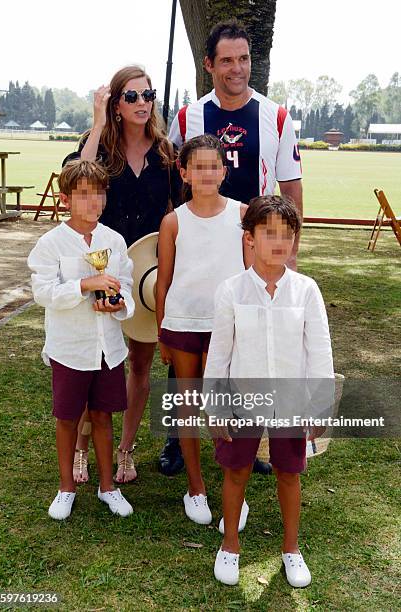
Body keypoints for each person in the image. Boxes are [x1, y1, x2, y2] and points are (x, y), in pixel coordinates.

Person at [160, 19, 303, 475]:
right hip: (201, 239)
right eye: (227, 60)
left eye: (243, 59)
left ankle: (246, 438)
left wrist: (288, 257)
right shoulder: (189, 116)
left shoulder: (276, 117)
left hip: (252, 249)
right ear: (209, 65)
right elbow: (173, 175)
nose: (237, 69)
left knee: (247, 342)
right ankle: (177, 444)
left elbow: (291, 189)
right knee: (188, 333)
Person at [203, 195, 334, 586]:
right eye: (268, 232)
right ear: (250, 238)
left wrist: (320, 406)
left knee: (288, 474)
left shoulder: (306, 290)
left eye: (287, 234)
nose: (279, 242)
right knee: (236, 471)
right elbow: (221, 353)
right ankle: (229, 545)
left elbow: (319, 351)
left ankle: (291, 548)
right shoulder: (231, 291)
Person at [63, 65, 182, 484]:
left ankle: (125, 449)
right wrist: (96, 125)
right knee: (91, 361)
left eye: (147, 95)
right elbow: (77, 179)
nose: (142, 103)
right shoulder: (97, 145)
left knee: (140, 363)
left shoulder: (167, 153)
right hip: (100, 266)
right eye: (131, 96)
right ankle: (80, 447)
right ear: (115, 104)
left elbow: (181, 211)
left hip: (147, 269)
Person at [27, 160, 135, 520]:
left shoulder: (114, 240)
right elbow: (43, 292)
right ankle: (66, 488)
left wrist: (117, 304)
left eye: (99, 193)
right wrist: (85, 285)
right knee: (68, 418)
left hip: (108, 349)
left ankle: (108, 487)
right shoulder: (51, 243)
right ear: (65, 198)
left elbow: (128, 287)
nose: (94, 202)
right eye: (84, 194)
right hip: (70, 348)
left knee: (104, 416)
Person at [155, 134, 253, 524]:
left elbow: (249, 276)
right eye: (198, 167)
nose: (207, 173)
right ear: (184, 172)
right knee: (188, 406)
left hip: (224, 328)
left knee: (223, 410)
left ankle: (234, 487)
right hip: (181, 324)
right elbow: (163, 282)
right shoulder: (173, 221)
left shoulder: (242, 214)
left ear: (224, 171)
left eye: (214, 166)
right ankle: (195, 488)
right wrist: (162, 330)